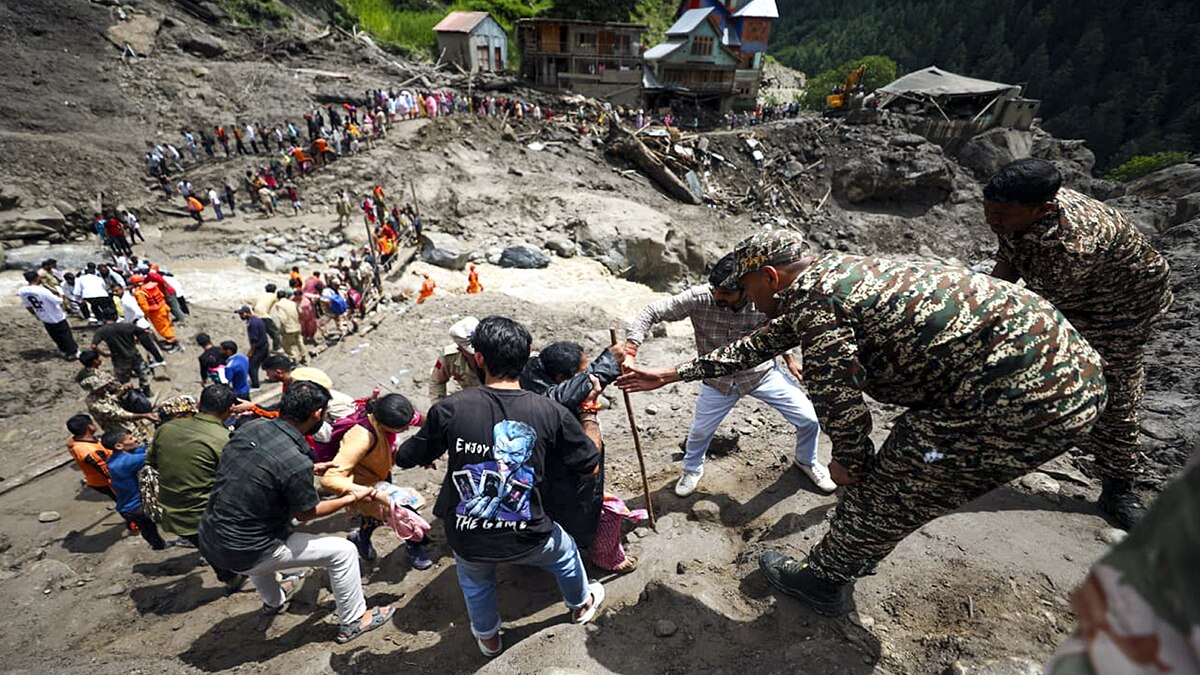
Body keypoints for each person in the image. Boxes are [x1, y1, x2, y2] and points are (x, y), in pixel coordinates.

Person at [617, 230, 1108, 617]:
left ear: (768, 276)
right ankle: (864, 537)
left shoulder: (815, 302)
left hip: (1023, 400)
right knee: (902, 463)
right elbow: (756, 347)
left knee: (892, 485)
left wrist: (850, 459)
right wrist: (670, 373)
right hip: (1059, 368)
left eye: (746, 291)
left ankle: (822, 582)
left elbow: (839, 400)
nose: (746, 304)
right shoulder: (831, 274)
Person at [394, 316, 605, 657]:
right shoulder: (549, 411)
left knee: (474, 580)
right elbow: (589, 465)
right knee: (564, 553)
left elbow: (409, 455)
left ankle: (489, 639)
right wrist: (589, 412)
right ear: (527, 359)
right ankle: (580, 605)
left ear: (478, 359)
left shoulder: (449, 409)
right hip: (529, 531)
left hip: (467, 533)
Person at [984, 158, 1174, 530]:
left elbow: (1043, 315)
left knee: (1113, 390)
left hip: (1122, 306)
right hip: (1077, 290)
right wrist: (986, 302)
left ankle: (1120, 486)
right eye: (988, 211)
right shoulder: (1019, 207)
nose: (992, 220)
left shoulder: (1071, 245)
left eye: (1002, 214)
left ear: (1045, 209)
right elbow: (1009, 258)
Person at [198, 381, 395, 643]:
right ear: (317, 414)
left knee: (254, 543)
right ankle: (354, 619)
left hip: (212, 537)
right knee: (343, 552)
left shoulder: (251, 428)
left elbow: (263, 466)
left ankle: (274, 600)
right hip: (250, 548)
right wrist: (353, 495)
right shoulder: (294, 461)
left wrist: (311, 469)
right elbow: (307, 512)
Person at [624, 253, 832, 496]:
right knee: (701, 432)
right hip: (717, 380)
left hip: (760, 374)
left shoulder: (763, 300)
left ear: (745, 289)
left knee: (809, 419)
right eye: (716, 290)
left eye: (726, 293)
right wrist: (630, 350)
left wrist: (789, 358)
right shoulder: (701, 297)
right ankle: (692, 469)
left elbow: (778, 328)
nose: (718, 297)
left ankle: (806, 461)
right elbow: (651, 311)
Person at [521, 341, 639, 573]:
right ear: (560, 377)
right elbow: (589, 459)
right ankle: (601, 557)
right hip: (566, 483)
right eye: (581, 374)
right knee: (590, 514)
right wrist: (589, 411)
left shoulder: (529, 377)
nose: (585, 377)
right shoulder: (558, 412)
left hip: (540, 481)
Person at [320, 393, 432, 569]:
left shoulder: (398, 416)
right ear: (383, 424)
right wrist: (371, 492)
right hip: (363, 484)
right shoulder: (360, 438)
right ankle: (414, 546)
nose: (407, 429)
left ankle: (360, 538)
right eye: (402, 428)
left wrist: (425, 453)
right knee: (403, 514)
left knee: (373, 517)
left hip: (380, 472)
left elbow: (426, 422)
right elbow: (330, 479)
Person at [149, 386, 245, 588]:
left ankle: (230, 579)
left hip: (176, 513)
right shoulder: (224, 438)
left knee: (207, 549)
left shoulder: (165, 429)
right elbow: (238, 477)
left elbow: (152, 463)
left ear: (200, 405)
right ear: (230, 410)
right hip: (212, 513)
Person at [101, 427, 168, 550]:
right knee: (172, 517)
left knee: (148, 528)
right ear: (119, 446)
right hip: (138, 506)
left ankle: (158, 546)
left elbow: (140, 450)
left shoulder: (114, 459)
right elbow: (155, 453)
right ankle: (188, 538)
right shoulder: (128, 462)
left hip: (127, 507)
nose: (136, 439)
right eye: (131, 439)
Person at [80, 371, 158, 446]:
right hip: (121, 431)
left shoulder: (101, 393)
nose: (105, 389)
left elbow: (110, 400)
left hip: (130, 425)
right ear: (94, 390)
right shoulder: (96, 405)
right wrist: (145, 415)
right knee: (138, 447)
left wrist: (122, 391)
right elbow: (121, 415)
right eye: (101, 388)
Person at [19, 270, 79, 360]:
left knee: (54, 335)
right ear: (37, 278)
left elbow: (28, 306)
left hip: (44, 316)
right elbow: (58, 301)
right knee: (65, 334)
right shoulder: (42, 290)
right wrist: (61, 294)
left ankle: (63, 350)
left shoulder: (22, 291)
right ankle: (72, 352)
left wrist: (36, 315)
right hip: (56, 316)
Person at [91, 320, 154, 395]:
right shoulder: (127, 326)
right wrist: (137, 340)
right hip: (134, 355)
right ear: (115, 316)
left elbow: (93, 346)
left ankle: (129, 395)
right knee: (142, 372)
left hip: (119, 358)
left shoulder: (101, 330)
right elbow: (146, 332)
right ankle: (147, 390)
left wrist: (104, 354)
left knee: (123, 378)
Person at [429, 316, 482, 401]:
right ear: (460, 349)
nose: (477, 355)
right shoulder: (449, 357)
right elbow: (437, 382)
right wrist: (438, 406)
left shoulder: (497, 353)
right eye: (472, 352)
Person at [66, 414, 115, 502]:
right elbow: (109, 472)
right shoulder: (90, 452)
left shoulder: (74, 441)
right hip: (107, 483)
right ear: (90, 427)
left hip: (95, 479)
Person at [130, 274, 180, 352]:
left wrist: (145, 316)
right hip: (164, 308)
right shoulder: (152, 286)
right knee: (168, 325)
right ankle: (170, 340)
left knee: (163, 328)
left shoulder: (139, 293)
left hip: (156, 313)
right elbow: (162, 295)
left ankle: (175, 344)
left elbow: (144, 307)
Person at [237, 305, 270, 389]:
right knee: (267, 363)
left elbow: (254, 340)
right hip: (265, 345)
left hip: (259, 348)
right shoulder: (257, 320)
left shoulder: (252, 324)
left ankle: (255, 385)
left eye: (242, 314)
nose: (240, 316)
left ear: (248, 313)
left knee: (252, 366)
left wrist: (251, 351)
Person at [272, 290, 305, 364]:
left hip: (289, 328)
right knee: (300, 342)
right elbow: (300, 311)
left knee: (285, 345)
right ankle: (304, 356)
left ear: (278, 297)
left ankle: (294, 358)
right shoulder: (293, 303)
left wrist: (282, 329)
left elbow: (282, 318)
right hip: (297, 325)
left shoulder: (279, 305)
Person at [253, 285, 284, 352]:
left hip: (255, 316)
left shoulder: (261, 296)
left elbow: (253, 306)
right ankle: (276, 348)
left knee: (261, 333)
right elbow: (280, 300)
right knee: (275, 332)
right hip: (264, 316)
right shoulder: (273, 296)